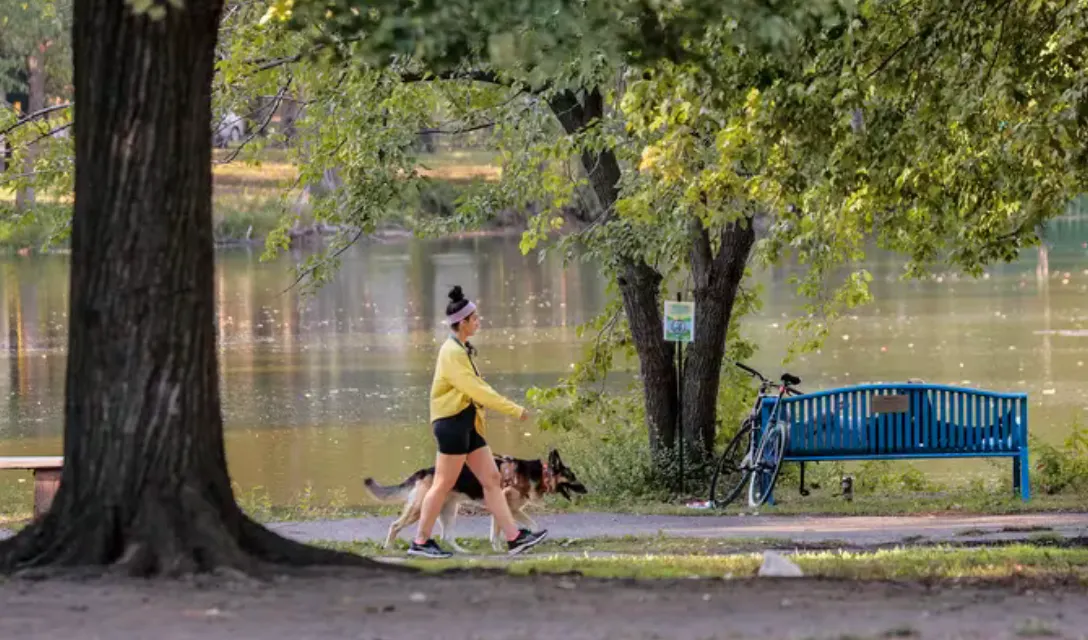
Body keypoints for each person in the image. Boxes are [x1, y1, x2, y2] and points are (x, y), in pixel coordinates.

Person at [408, 286, 549, 558]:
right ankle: (421, 542)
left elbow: (475, 391)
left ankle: (514, 538)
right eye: (474, 319)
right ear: (462, 323)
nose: (478, 322)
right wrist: (514, 409)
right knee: (442, 484)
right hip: (452, 425)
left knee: (492, 479)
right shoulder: (452, 353)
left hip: (467, 425)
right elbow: (477, 390)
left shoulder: (461, 349)